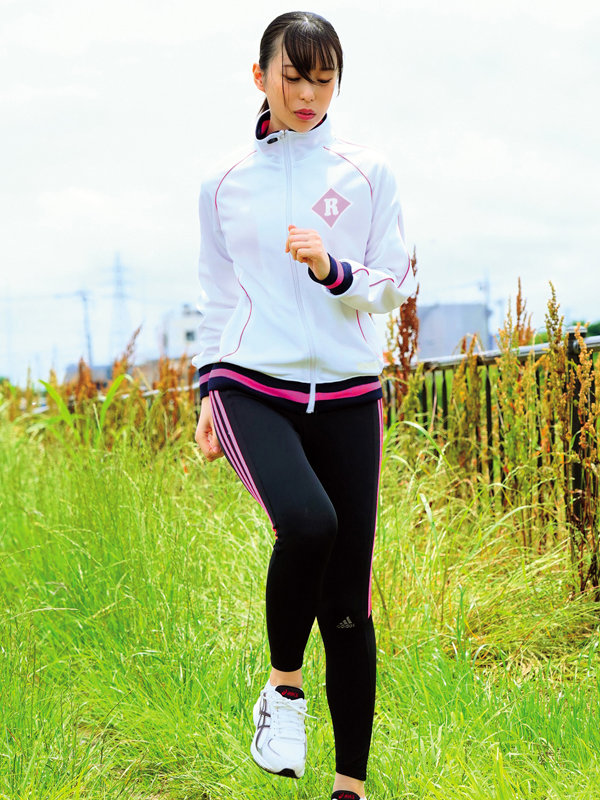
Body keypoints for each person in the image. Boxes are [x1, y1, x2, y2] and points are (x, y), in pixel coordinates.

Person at [193, 11, 415, 800]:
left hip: (350, 394)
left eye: (324, 80)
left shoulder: (367, 172)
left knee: (348, 605)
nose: (309, 94)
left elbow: (396, 283)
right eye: (294, 77)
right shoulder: (223, 182)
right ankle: (283, 692)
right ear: (261, 76)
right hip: (250, 383)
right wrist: (207, 391)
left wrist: (334, 270)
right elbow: (218, 294)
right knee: (309, 522)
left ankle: (350, 788)